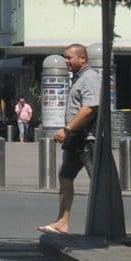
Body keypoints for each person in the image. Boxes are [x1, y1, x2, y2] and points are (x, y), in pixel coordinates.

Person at [41, 43, 102, 234]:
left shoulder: (90, 77)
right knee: (65, 177)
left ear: (82, 58)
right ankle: (62, 221)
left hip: (87, 139)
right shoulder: (78, 78)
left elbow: (90, 108)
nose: (66, 61)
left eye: (69, 58)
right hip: (75, 138)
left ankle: (102, 224)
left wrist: (67, 129)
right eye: (65, 57)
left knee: (98, 181)